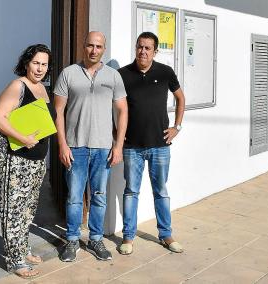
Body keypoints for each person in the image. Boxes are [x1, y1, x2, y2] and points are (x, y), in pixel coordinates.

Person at [54, 31, 128, 262]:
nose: (93, 50)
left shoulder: (113, 76)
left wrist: (118, 146)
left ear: (103, 49)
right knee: (75, 197)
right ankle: (73, 240)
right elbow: (58, 112)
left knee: (98, 196)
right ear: (83, 47)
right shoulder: (68, 74)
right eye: (89, 46)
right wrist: (62, 145)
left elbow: (122, 110)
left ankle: (95, 239)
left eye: (98, 46)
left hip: (103, 148)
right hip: (75, 147)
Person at [0, 44, 56, 279]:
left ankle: (22, 248)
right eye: (36, 63)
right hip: (15, 159)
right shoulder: (18, 85)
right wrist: (22, 138)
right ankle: (15, 259)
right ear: (27, 63)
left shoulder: (42, 88)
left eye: (44, 64)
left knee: (27, 210)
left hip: (37, 161)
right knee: (13, 211)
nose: (40, 68)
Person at [117, 32, 185, 255]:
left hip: (160, 145)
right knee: (131, 192)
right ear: (135, 48)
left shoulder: (165, 72)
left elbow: (180, 98)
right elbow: (115, 107)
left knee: (161, 192)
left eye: (148, 48)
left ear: (155, 51)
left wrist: (177, 127)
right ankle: (128, 237)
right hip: (132, 147)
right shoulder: (123, 75)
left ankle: (166, 234)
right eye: (140, 47)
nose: (143, 51)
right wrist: (116, 135)